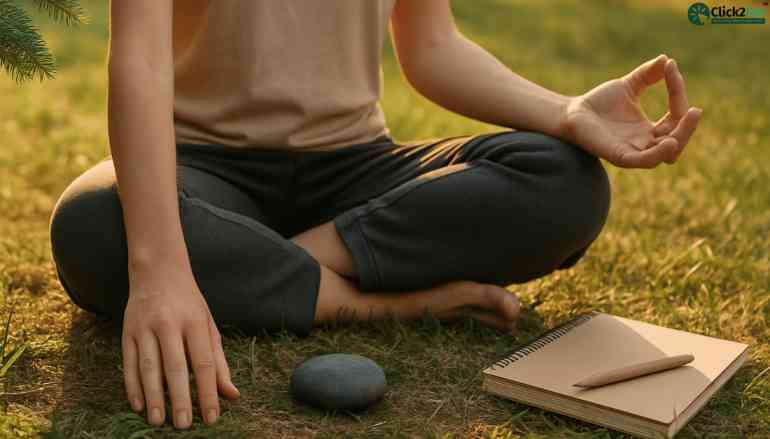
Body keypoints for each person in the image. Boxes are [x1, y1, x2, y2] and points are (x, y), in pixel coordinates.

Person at [48, 0, 702, 431]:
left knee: (566, 182)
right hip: (202, 168)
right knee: (93, 225)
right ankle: (383, 299)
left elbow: (433, 48)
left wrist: (566, 112)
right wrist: (160, 265)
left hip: (354, 171)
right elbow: (141, 56)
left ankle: (262, 266)